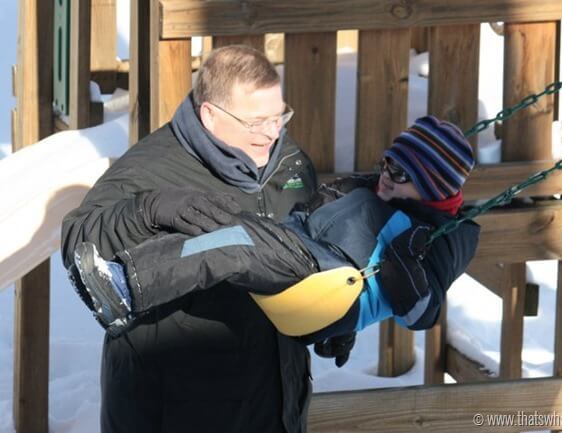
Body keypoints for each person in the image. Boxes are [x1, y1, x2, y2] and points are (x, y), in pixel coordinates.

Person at [72, 115, 480, 363]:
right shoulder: (377, 189)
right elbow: (321, 213)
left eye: (402, 173)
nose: (387, 176)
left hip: (325, 276)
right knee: (225, 225)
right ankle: (126, 271)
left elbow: (423, 314)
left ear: (432, 186)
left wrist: (401, 267)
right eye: (387, 163)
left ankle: (125, 287)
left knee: (232, 246)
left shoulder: (440, 235)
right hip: (306, 255)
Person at [61, 45, 321, 433]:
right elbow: (79, 240)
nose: (272, 132)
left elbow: (307, 247)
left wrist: (335, 321)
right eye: (256, 122)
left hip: (275, 403)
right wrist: (145, 211)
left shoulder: (289, 161)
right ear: (210, 115)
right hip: (175, 407)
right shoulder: (152, 167)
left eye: (278, 116)